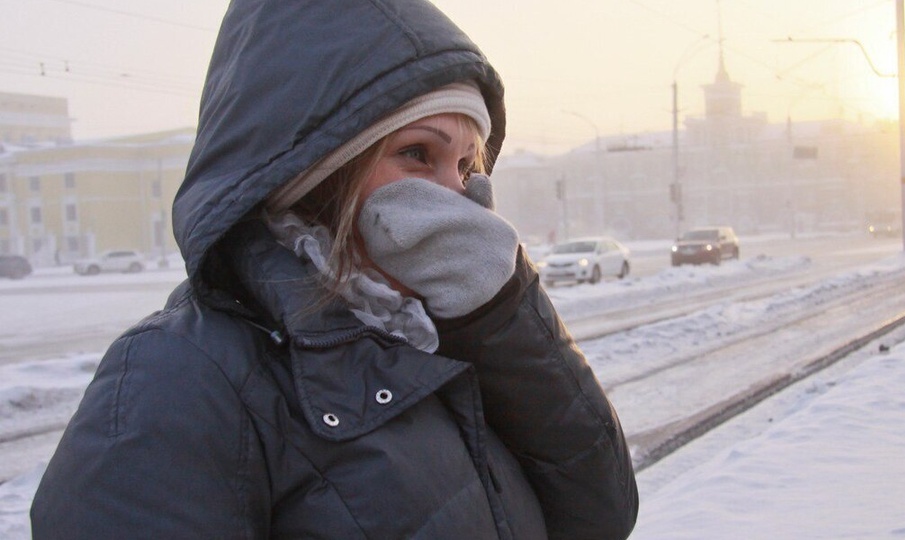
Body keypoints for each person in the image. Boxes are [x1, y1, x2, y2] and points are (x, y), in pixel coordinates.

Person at [30, 1, 638, 538]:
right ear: (315, 176)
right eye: (417, 154)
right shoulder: (174, 380)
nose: (459, 199)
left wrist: (497, 308)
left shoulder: (431, 336)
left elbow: (598, 514)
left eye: (464, 165)